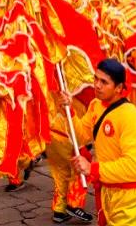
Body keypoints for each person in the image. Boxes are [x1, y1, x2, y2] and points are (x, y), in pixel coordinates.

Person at [68, 58, 136, 226]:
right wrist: (69, 111)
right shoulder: (95, 105)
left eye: (104, 82)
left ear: (119, 88)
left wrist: (92, 168)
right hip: (107, 191)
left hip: (131, 200)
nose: (97, 85)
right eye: (96, 79)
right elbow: (82, 136)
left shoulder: (130, 116)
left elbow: (134, 167)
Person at [45, 95, 93, 223]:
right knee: (81, 167)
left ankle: (59, 210)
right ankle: (74, 204)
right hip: (66, 134)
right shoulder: (67, 89)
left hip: (50, 133)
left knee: (60, 173)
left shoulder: (49, 86)